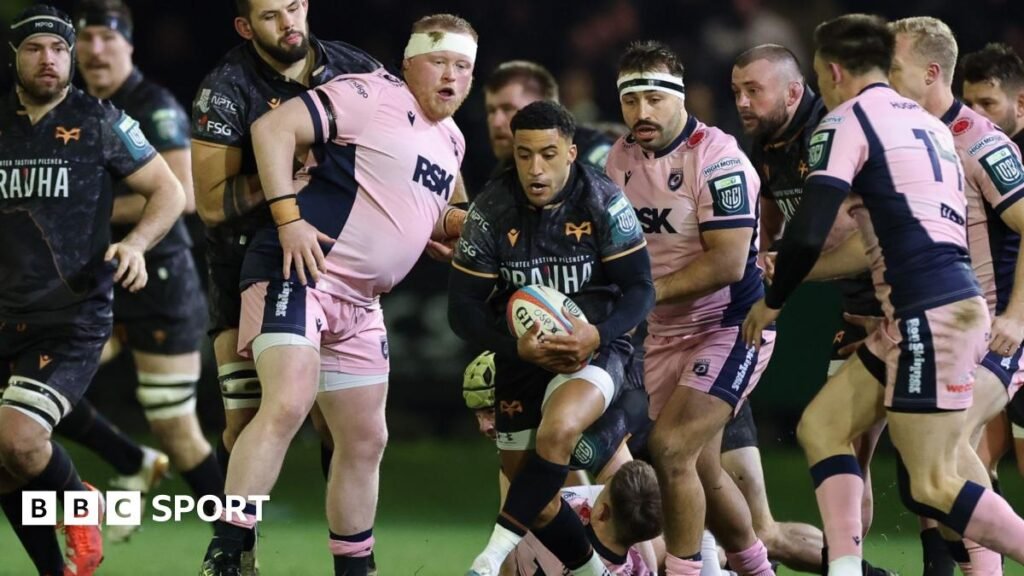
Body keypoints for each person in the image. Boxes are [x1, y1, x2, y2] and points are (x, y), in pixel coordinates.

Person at [741, 14, 1024, 576]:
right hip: (923, 312)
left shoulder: (848, 122)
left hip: (938, 316)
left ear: (831, 72)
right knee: (822, 427)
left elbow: (811, 224)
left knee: (936, 480)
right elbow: (886, 238)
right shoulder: (929, 129)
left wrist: (775, 297)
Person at [199, 14, 475, 576]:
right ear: (408, 63)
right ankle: (226, 554)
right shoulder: (368, 93)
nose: (451, 76)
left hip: (360, 304)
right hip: (300, 273)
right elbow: (272, 131)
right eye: (440, 62)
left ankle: (354, 569)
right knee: (288, 402)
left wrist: (470, 229)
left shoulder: (452, 140)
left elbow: (441, 212)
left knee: (367, 437)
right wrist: (287, 218)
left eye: (463, 67)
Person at [191, 0, 380, 569]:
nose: (289, 22)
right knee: (245, 422)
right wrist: (288, 171)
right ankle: (237, 554)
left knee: (340, 424)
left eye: (295, 6)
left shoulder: (353, 69)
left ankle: (349, 554)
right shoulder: (226, 89)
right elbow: (210, 204)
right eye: (271, 15)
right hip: (243, 267)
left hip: (330, 267)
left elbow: (410, 137)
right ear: (246, 28)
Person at [0, 5, 184, 575]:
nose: (49, 59)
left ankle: (83, 503)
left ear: (72, 56)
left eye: (59, 49)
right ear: (15, 56)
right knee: (4, 459)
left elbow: (170, 193)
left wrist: (135, 245)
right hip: (6, 313)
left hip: (73, 315)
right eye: (35, 48)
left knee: (20, 441)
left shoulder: (101, 120)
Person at [450, 100, 655, 576]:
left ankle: (492, 556)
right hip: (522, 358)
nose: (535, 169)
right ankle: (592, 574)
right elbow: (461, 309)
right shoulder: (491, 210)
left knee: (559, 430)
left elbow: (641, 286)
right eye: (524, 155)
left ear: (571, 153)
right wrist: (511, 347)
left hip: (595, 350)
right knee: (534, 498)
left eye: (547, 154)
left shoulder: (603, 199)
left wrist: (597, 334)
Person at [605, 40, 776, 576]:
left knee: (671, 449)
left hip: (731, 325)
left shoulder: (719, 159)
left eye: (654, 98)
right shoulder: (620, 158)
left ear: (680, 97)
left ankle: (680, 572)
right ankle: (758, 569)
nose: (642, 113)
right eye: (631, 101)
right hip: (663, 335)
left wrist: (642, 295)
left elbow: (727, 263)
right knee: (703, 471)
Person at [63, 0, 223, 541]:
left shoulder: (150, 105)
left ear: (129, 46)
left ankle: (234, 539)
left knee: (177, 430)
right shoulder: (72, 108)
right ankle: (132, 459)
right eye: (84, 40)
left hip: (160, 281)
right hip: (95, 282)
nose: (95, 49)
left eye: (107, 38)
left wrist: (87, 210)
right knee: (39, 390)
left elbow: (187, 192)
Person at [731, 44, 888, 575]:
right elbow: (771, 219)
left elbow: (848, 233)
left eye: (754, 90)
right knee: (847, 451)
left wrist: (785, 275)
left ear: (796, 91)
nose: (743, 102)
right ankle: (854, 568)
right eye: (737, 92)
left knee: (929, 466)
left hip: (901, 305)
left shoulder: (834, 131)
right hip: (857, 311)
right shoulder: (768, 145)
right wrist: (761, 255)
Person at [888, 16, 1024, 576]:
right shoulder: (911, 139)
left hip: (999, 324)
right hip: (946, 327)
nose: (884, 80)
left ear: (930, 72)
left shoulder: (982, 142)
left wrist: (1017, 316)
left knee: (946, 450)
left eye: (892, 69)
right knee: (930, 467)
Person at [962, 42, 1024, 482]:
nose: (977, 113)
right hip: (992, 326)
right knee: (974, 456)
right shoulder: (974, 151)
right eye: (969, 103)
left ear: (1020, 102)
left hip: (1012, 325)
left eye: (988, 103)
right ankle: (978, 554)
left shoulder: (1007, 157)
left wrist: (1017, 315)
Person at [503, 461, 662, 576]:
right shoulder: (636, 568)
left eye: (604, 489)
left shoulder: (567, 508)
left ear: (601, 512)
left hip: (516, 560)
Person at [483, 61, 621, 184]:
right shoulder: (504, 173)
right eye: (491, 111)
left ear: (546, 108)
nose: (496, 122)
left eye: (508, 109)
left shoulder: (592, 159)